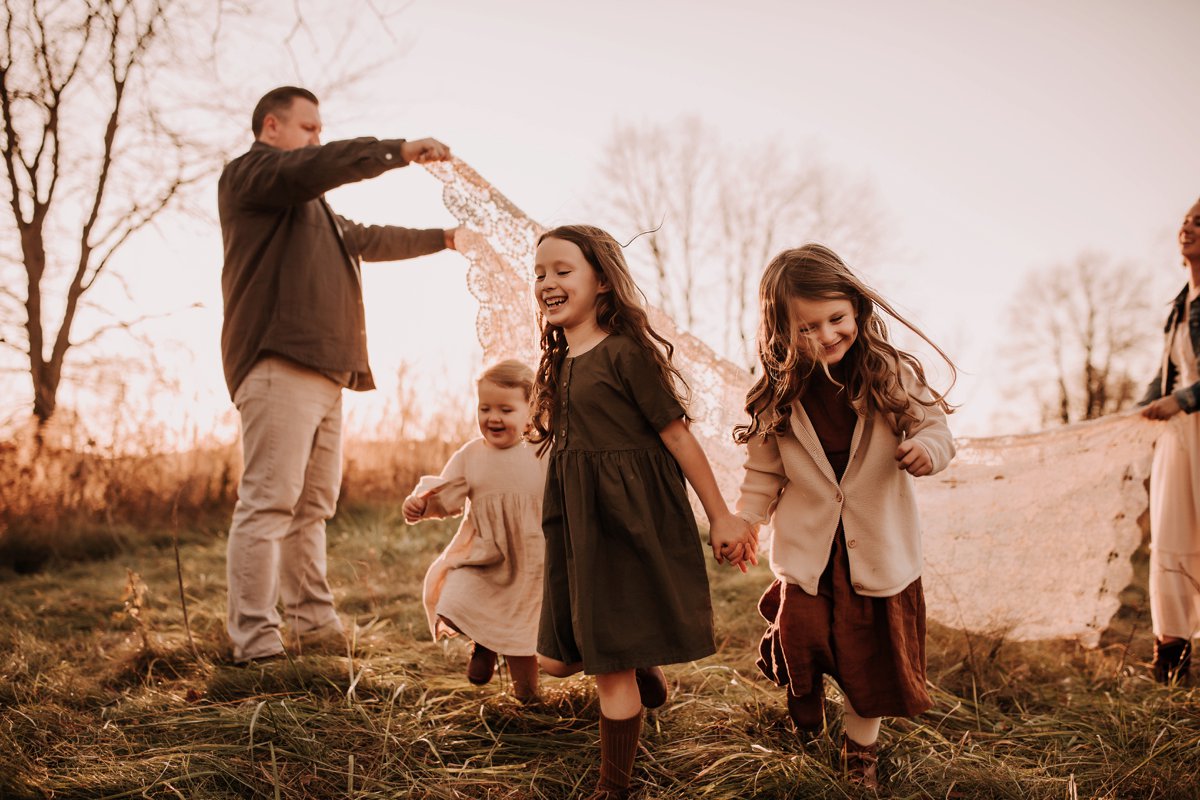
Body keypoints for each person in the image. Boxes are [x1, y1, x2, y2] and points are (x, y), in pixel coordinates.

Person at [218, 85, 457, 664]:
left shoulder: (314, 209)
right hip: (279, 361)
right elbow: (315, 166)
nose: (317, 139)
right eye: (309, 128)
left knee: (312, 508)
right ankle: (254, 642)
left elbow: (369, 238)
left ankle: (313, 628)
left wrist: (446, 239)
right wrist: (397, 150)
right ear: (271, 127)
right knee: (270, 502)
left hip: (328, 372)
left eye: (321, 129)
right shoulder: (252, 176)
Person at [527, 224, 756, 800]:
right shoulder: (558, 359)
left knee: (607, 669)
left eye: (562, 271)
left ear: (601, 282)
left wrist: (721, 516)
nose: (547, 282)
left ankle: (614, 785)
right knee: (555, 662)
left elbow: (678, 439)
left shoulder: (626, 353)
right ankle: (641, 661)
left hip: (629, 517)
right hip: (577, 523)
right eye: (539, 273)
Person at [733, 244, 956, 789]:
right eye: (807, 328)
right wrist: (745, 521)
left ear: (856, 308)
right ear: (780, 333)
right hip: (809, 552)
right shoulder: (776, 399)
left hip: (876, 552)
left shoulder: (889, 374)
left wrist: (926, 450)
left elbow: (936, 430)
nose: (827, 335)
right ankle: (803, 691)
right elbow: (764, 473)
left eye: (836, 319)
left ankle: (861, 754)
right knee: (800, 634)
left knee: (868, 662)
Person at [403, 360, 547, 701]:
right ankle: (481, 641)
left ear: (531, 411)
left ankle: (527, 697)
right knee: (459, 590)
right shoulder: (471, 454)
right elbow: (446, 493)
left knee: (521, 628)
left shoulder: (544, 451)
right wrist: (420, 505)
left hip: (535, 557)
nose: (492, 417)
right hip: (488, 553)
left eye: (505, 409)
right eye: (485, 408)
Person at [1139, 197, 1200, 686]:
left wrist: (1182, 400)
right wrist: (1132, 415)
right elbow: (1165, 376)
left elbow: (1182, 387)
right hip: (1179, 439)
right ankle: (1172, 655)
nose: (1189, 228)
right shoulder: (1180, 305)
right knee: (1171, 537)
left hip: (1192, 419)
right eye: (1186, 221)